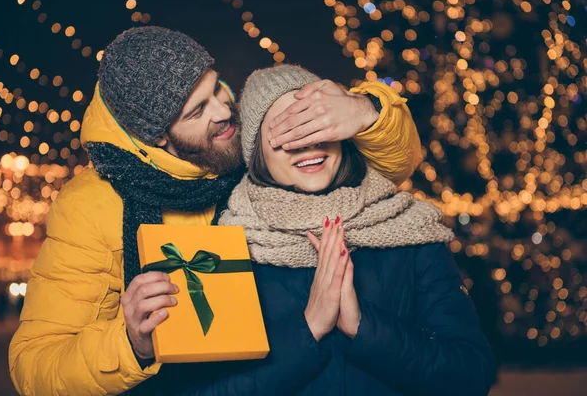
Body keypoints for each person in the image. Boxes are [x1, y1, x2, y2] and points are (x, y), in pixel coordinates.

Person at [8, 27, 422, 395]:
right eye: (196, 110)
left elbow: (381, 172)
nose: (224, 112)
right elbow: (34, 366)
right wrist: (130, 343)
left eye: (216, 88)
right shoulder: (93, 207)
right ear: (156, 140)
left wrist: (367, 112)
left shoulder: (241, 148)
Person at [156, 65, 496, 395]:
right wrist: (309, 327)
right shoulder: (222, 250)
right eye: (286, 132)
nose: (307, 144)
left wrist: (364, 325)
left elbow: (472, 375)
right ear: (256, 152)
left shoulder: (409, 229)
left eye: (316, 126)